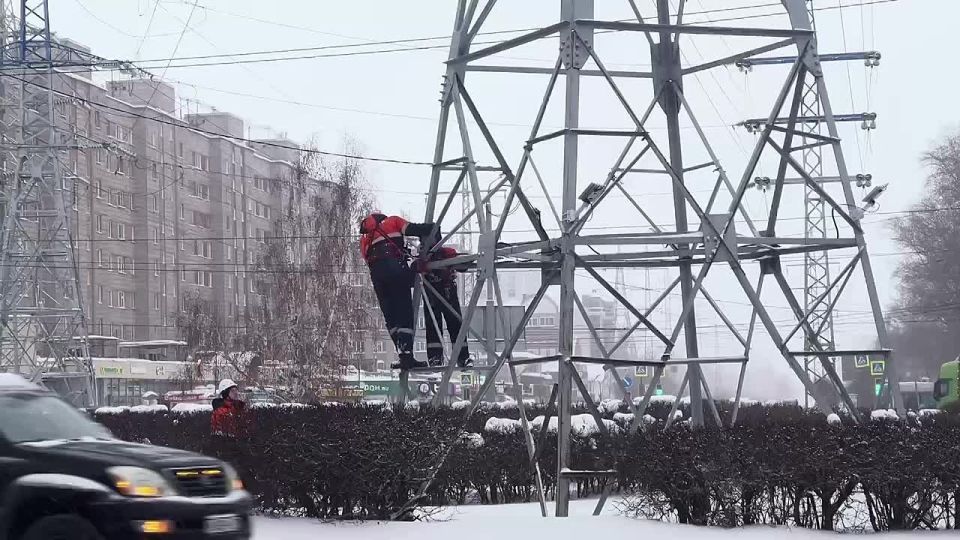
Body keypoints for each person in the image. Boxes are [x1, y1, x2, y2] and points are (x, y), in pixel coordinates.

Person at [359, 212, 438, 370]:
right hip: (394, 268)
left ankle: (403, 355)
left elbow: (368, 259)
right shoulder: (393, 221)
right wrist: (433, 228)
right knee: (404, 312)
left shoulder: (365, 239)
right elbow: (413, 229)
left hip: (377, 276)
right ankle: (407, 353)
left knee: (391, 317)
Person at [415, 244, 473, 368]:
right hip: (434, 291)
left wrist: (459, 260)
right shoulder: (423, 257)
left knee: (454, 325)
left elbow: (462, 264)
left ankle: (462, 357)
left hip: (445, 291)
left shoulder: (446, 252)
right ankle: (436, 358)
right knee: (434, 327)